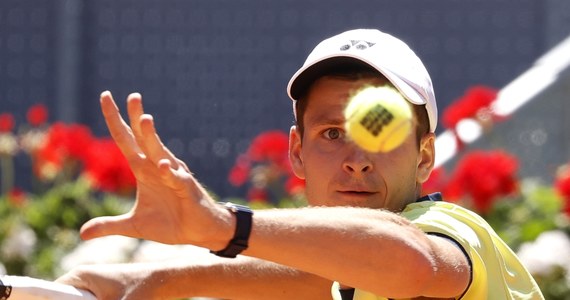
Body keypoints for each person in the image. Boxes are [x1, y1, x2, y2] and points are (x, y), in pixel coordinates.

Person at [57, 29, 544, 299]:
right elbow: (319, 275)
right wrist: (161, 279)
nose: (356, 160)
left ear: (424, 158)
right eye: (333, 133)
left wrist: (224, 226)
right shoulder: (349, 274)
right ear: (296, 152)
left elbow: (411, 262)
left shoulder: (451, 230)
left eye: (383, 132)